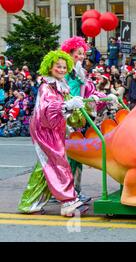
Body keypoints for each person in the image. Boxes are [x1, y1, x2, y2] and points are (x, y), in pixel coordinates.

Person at [18, 50, 88, 216]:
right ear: (50, 67)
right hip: (45, 130)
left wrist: (99, 99)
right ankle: (68, 202)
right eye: (58, 66)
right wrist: (67, 106)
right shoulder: (46, 86)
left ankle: (30, 204)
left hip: (55, 129)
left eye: (64, 67)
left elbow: (75, 101)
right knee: (59, 162)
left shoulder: (60, 85)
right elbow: (47, 109)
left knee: (44, 167)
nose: (62, 69)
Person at [61, 36, 118, 202]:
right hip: (67, 116)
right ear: (69, 53)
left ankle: (72, 191)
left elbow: (89, 92)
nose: (81, 57)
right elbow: (63, 93)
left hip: (78, 116)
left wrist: (105, 97)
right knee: (70, 155)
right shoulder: (64, 71)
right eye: (78, 53)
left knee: (75, 154)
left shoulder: (79, 72)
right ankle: (69, 192)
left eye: (83, 54)